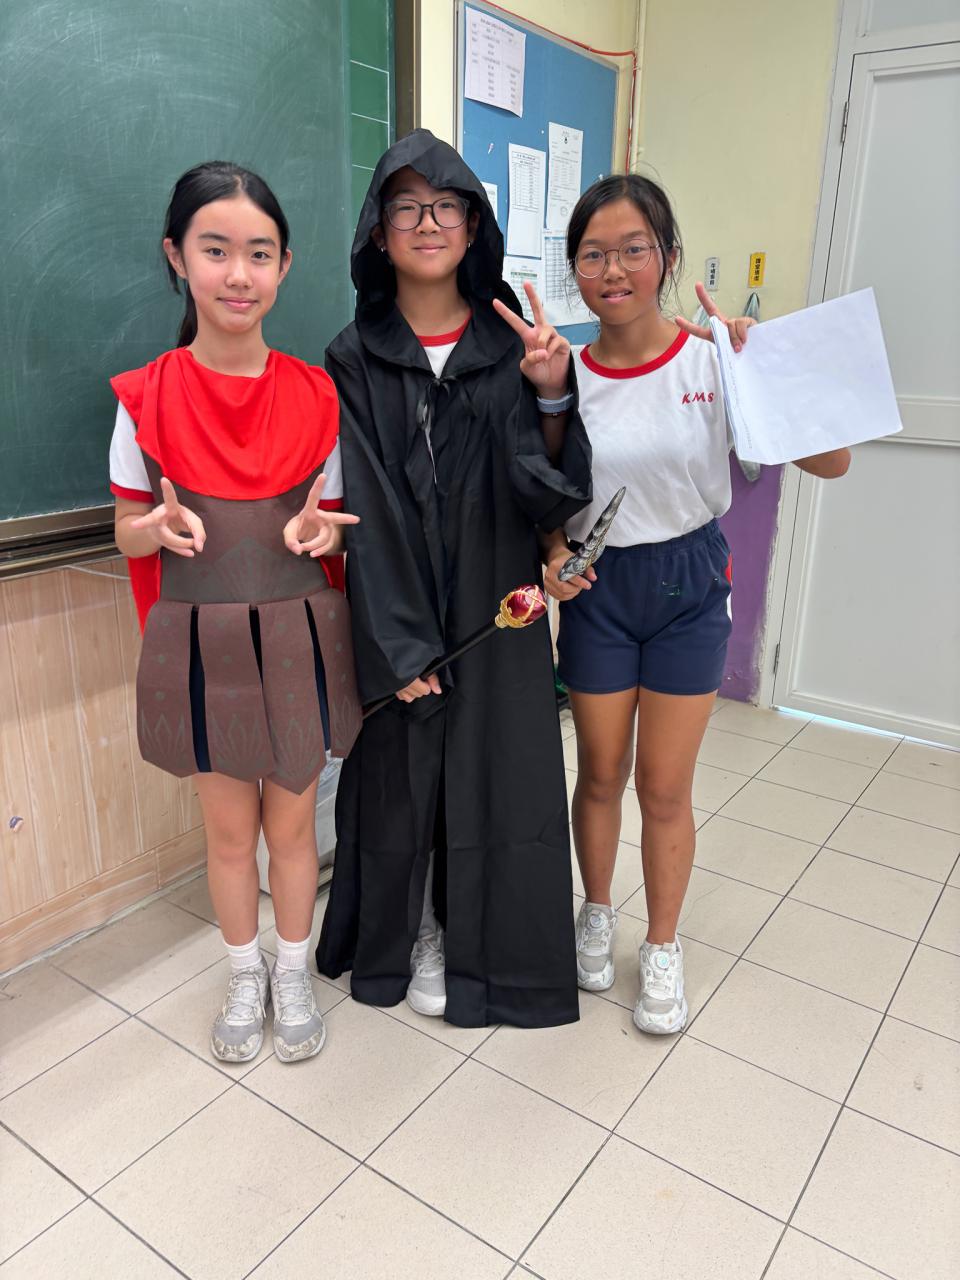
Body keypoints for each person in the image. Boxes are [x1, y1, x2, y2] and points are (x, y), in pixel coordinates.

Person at [535, 174, 850, 1035]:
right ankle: (596, 912)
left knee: (665, 787)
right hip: (599, 589)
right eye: (593, 254)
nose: (613, 270)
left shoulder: (713, 360)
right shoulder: (562, 373)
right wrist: (555, 555)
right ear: (575, 268)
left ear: (667, 257)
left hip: (688, 586)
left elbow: (833, 463)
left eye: (633, 250)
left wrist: (764, 369)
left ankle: (662, 946)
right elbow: (545, 492)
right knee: (601, 772)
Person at [315, 129, 592, 1029]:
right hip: (395, 599)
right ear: (378, 230)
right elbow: (362, 504)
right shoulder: (353, 356)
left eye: (445, 207)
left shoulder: (510, 343)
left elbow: (543, 489)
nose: (427, 223)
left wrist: (550, 393)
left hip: (495, 594)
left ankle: (497, 955)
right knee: (404, 778)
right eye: (406, 208)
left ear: (474, 227)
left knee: (500, 770)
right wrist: (398, 647)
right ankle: (421, 934)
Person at [109, 161, 361, 1064]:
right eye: (215, 251)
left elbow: (337, 532)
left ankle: (292, 971)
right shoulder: (144, 396)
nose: (238, 274)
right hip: (201, 642)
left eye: (259, 253)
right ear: (177, 257)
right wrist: (151, 528)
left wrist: (319, 536)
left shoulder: (319, 395)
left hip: (298, 638)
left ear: (285, 266)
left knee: (291, 828)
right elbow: (124, 532)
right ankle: (243, 972)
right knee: (228, 832)